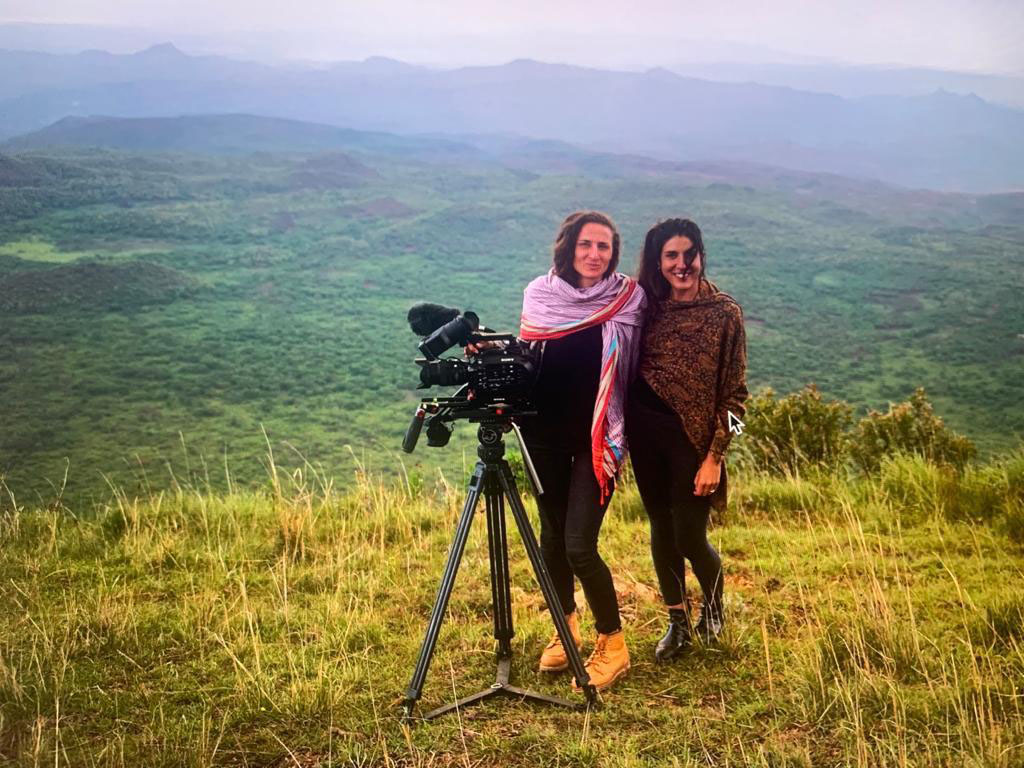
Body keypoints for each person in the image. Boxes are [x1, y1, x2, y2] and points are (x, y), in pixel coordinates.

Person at [515, 210, 646, 691]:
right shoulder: (539, 295)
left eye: (604, 247)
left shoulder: (628, 298)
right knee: (551, 537)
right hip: (542, 433)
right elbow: (530, 358)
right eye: (586, 245)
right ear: (568, 246)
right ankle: (564, 625)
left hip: (598, 439)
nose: (595, 255)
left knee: (579, 545)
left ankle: (612, 644)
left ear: (614, 253)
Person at [626, 218, 747, 660]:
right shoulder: (646, 308)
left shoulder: (723, 313)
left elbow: (737, 403)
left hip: (692, 445)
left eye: (689, 253)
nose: (682, 264)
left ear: (701, 253)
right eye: (671, 256)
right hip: (644, 435)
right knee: (661, 529)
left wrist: (715, 456)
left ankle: (713, 608)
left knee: (690, 537)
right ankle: (677, 622)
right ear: (658, 263)